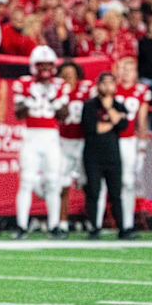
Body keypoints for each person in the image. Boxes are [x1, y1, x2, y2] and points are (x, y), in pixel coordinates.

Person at [12, 46, 68, 238]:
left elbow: (64, 115)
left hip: (51, 137)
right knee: (26, 181)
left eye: (48, 65)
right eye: (41, 65)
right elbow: (18, 113)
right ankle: (21, 225)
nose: (45, 68)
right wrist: (30, 99)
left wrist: (53, 100)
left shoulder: (60, 84)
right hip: (31, 136)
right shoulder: (24, 83)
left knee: (53, 181)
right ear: (34, 66)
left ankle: (54, 225)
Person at [94, 57, 150, 234]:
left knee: (128, 182)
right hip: (109, 140)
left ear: (135, 72)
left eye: (130, 69)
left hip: (128, 141)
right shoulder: (110, 89)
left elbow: (142, 122)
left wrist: (141, 146)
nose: (126, 72)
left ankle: (127, 223)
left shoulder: (141, 90)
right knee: (102, 182)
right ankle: (95, 225)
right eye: (123, 68)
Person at [82, 72, 130, 239]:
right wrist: (112, 121)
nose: (108, 87)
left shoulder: (118, 105)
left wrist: (109, 109)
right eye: (105, 83)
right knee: (94, 192)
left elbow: (123, 125)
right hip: (93, 156)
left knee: (116, 194)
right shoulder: (90, 105)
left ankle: (123, 228)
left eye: (111, 83)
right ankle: (94, 227)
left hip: (113, 156)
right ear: (98, 85)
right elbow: (92, 128)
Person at [57, 61, 94, 239]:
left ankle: (91, 220)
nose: (68, 77)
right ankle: (62, 222)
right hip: (63, 141)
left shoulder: (86, 89)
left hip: (84, 141)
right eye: (64, 74)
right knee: (62, 184)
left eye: (71, 73)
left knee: (88, 183)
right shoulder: (56, 90)